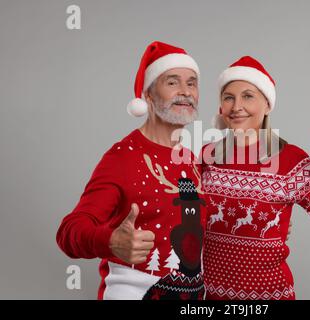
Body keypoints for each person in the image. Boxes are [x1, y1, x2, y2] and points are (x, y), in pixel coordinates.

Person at [200, 56, 310, 300]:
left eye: (248, 96)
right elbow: (181, 217)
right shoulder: (206, 157)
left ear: (267, 105)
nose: (236, 107)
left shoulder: (289, 161)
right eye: (228, 97)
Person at [56, 41, 207, 300]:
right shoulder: (122, 158)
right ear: (148, 95)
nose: (185, 92)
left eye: (191, 83)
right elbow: (69, 232)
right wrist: (111, 240)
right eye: (172, 82)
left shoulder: (193, 161)